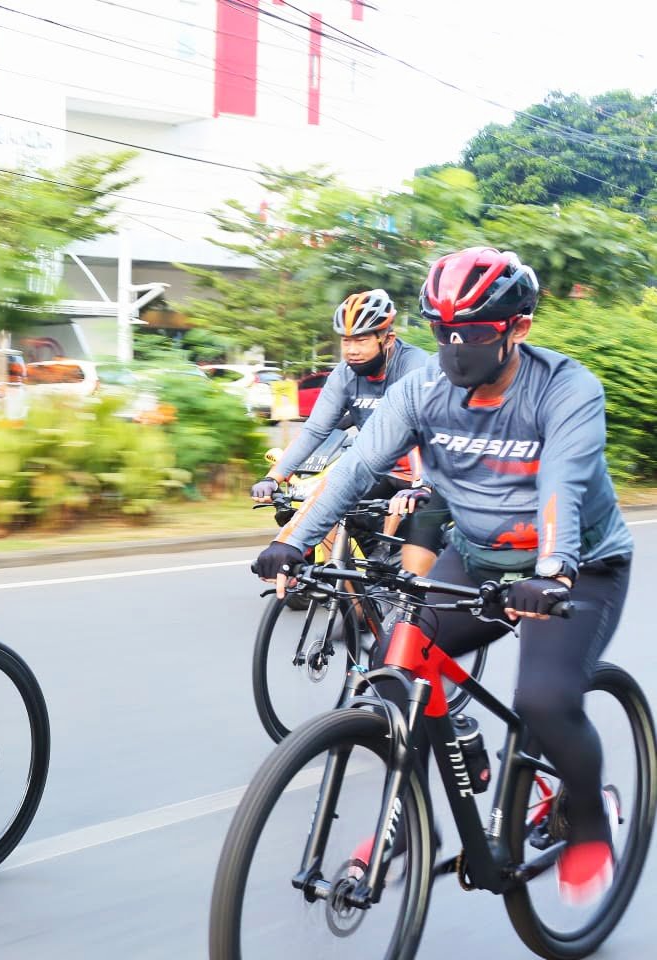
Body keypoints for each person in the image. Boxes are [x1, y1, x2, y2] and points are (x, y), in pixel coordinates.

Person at [253, 246, 633, 904]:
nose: (456, 349)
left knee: (543, 699)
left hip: (577, 568)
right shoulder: (422, 390)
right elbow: (355, 468)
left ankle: (590, 818)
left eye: (475, 333)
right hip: (480, 557)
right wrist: (292, 542)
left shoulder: (566, 389)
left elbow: (562, 487)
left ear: (518, 327)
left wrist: (552, 571)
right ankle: (408, 821)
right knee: (392, 666)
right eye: (443, 331)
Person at [251, 289, 446, 575]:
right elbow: (315, 430)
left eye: (361, 340)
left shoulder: (414, 367)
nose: (352, 350)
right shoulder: (344, 374)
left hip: (427, 471)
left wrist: (421, 484)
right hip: (378, 468)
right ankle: (348, 595)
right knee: (328, 510)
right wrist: (273, 477)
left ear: (388, 339)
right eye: (346, 340)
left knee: (408, 563)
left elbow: (424, 432)